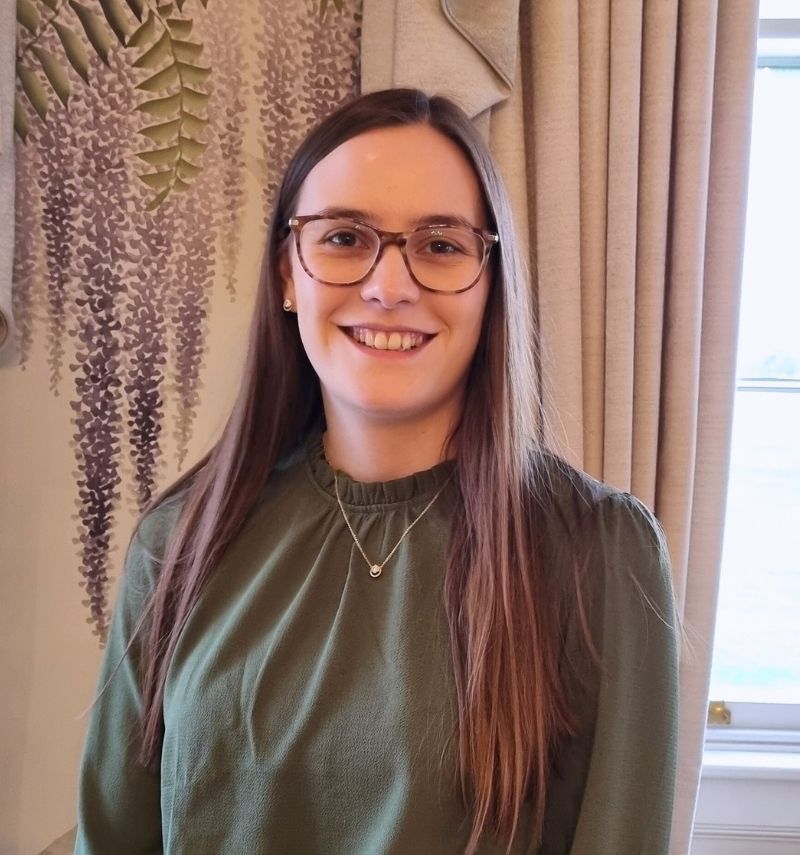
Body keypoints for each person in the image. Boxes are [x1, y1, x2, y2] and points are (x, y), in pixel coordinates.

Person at [74, 88, 679, 855]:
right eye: (344, 237)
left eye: (440, 245)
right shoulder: (179, 541)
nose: (389, 287)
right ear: (288, 275)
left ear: (493, 283)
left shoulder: (602, 554)